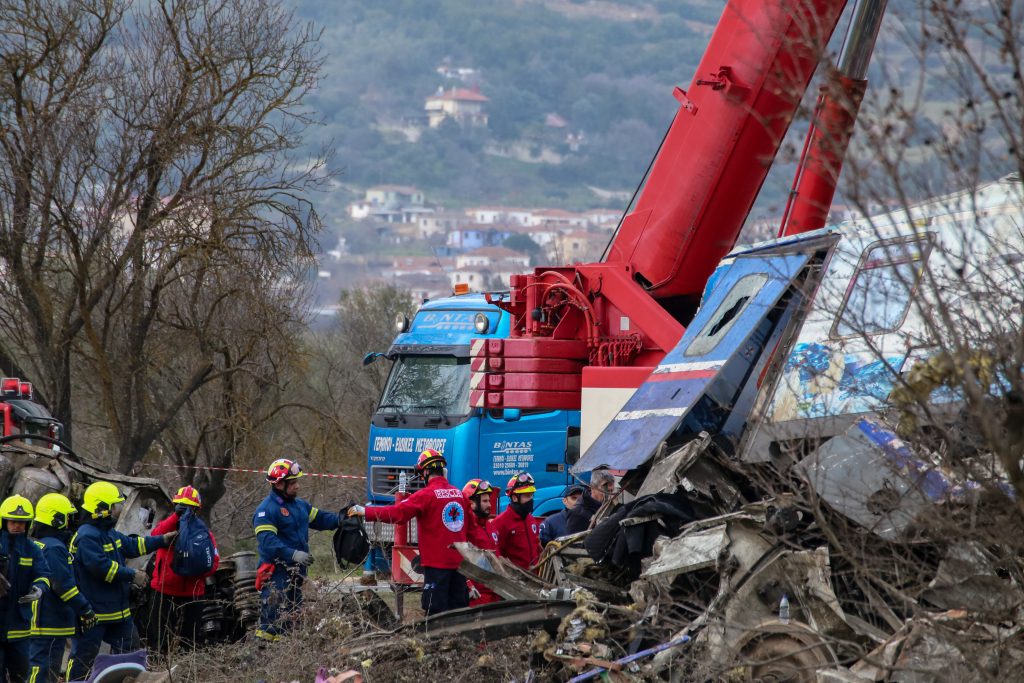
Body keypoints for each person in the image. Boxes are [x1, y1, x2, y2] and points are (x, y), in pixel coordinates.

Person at [67, 481, 175, 681]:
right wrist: (132, 574)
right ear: (101, 509)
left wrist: (161, 540)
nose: (118, 510)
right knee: (84, 657)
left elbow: (132, 545)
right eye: (114, 506)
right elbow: (101, 568)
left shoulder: (108, 532)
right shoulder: (86, 536)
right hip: (94, 613)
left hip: (118, 612)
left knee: (131, 653)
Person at [349, 449, 469, 615]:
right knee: (460, 612)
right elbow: (472, 528)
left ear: (425, 471)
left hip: (437, 567)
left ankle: (440, 641)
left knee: (436, 614)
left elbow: (397, 513)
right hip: (461, 566)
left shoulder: (425, 495)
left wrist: (365, 512)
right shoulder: (460, 494)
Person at [252, 458, 340, 643]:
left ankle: (289, 653)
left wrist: (342, 518)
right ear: (279, 484)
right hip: (277, 574)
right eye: (292, 483)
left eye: (297, 482)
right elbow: (268, 542)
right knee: (272, 619)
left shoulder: (299, 505)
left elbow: (321, 519)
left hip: (297, 573)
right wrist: (293, 554)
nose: (297, 486)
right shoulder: (266, 511)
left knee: (294, 618)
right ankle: (264, 655)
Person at [29, 493, 96, 683]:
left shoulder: (40, 543)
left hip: (41, 620)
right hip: (49, 623)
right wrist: (85, 609)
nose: (69, 522)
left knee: (37, 668)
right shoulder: (54, 548)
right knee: (43, 671)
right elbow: (63, 585)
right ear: (56, 519)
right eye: (66, 517)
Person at [144, 485, 220, 652]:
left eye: (187, 507)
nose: (184, 510)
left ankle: (183, 673)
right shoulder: (167, 528)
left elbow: (213, 562)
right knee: (159, 641)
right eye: (180, 506)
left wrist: (194, 570)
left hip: (192, 593)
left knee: (189, 642)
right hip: (164, 590)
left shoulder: (202, 533)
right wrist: (175, 518)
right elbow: (155, 536)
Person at [0, 495, 49, 683]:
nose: (18, 526)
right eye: (13, 521)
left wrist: (40, 588)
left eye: (22, 522)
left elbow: (43, 573)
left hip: (19, 625)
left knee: (20, 674)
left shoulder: (32, 548)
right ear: (4, 521)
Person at [491, 472, 541, 571]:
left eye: (532, 495)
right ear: (514, 498)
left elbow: (537, 546)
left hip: (535, 577)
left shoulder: (530, 519)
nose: (531, 499)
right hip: (515, 579)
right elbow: (496, 555)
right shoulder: (500, 522)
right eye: (527, 496)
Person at [460, 478, 499, 606]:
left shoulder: (490, 527)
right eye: (485, 501)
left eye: (489, 500)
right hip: (477, 596)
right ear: (472, 503)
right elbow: (458, 558)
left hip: (496, 591)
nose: (490, 505)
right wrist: (468, 585)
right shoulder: (464, 528)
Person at [565, 468, 616, 534]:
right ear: (592, 488)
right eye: (605, 489)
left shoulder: (612, 507)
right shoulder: (577, 513)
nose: (609, 494)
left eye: (611, 491)